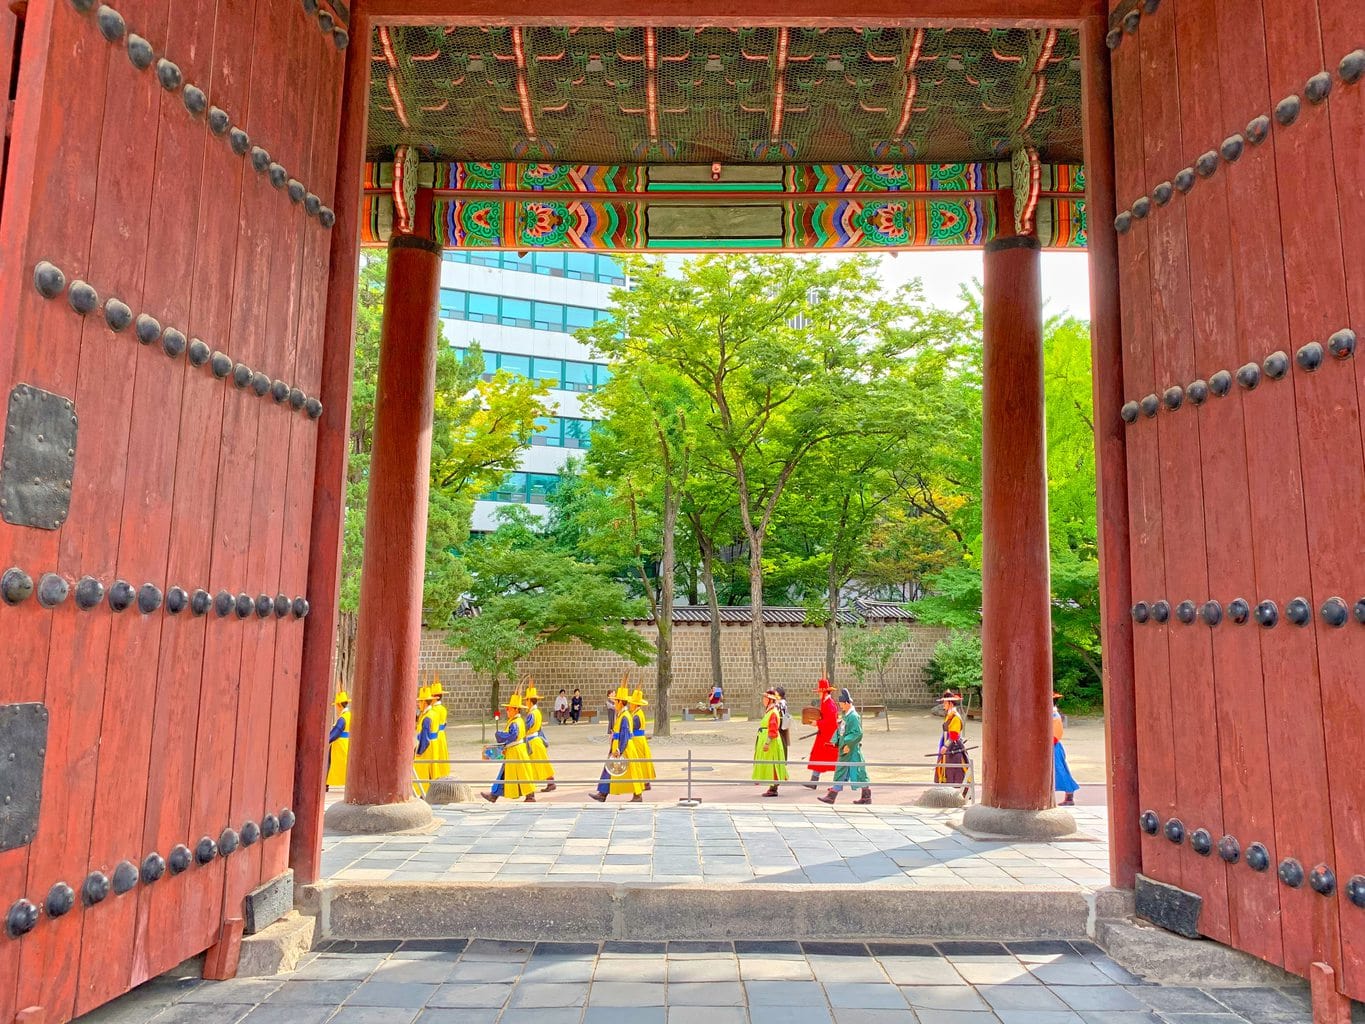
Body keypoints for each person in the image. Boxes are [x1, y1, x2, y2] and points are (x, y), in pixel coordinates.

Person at [591, 685, 643, 802]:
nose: (614, 705)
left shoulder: (625, 716)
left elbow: (624, 733)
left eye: (616, 702)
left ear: (620, 702)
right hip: (618, 746)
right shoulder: (622, 715)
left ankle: (637, 795)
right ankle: (602, 793)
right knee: (609, 770)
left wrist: (620, 749)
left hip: (624, 747)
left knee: (630, 772)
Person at [481, 693, 537, 803]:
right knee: (507, 773)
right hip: (516, 751)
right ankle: (494, 795)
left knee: (521, 774)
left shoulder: (516, 722)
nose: (507, 711)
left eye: (508, 709)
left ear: (516, 710)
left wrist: (500, 736)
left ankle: (530, 795)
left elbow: (513, 736)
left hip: (516, 751)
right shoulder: (518, 721)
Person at [818, 688, 870, 804]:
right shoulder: (847, 715)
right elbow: (840, 730)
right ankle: (832, 796)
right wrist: (835, 740)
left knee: (858, 772)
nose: (841, 706)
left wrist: (847, 743)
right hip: (845, 749)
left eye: (841, 704)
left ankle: (865, 797)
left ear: (847, 703)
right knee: (841, 770)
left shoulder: (853, 716)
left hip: (851, 750)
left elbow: (857, 733)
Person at [752, 688, 789, 798]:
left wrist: (767, 742)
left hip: (771, 742)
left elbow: (773, 729)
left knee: (773, 764)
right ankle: (772, 787)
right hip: (766, 738)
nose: (763, 700)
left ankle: (774, 788)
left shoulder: (773, 712)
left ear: (770, 700)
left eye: (765, 698)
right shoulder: (769, 711)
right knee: (769, 763)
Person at [803, 678, 838, 790]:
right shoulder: (826, 702)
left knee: (834, 759)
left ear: (823, 692)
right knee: (819, 756)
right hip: (824, 735)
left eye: (819, 691)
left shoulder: (829, 704)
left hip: (828, 736)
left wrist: (817, 723)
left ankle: (840, 782)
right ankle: (814, 780)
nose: (818, 693)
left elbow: (830, 721)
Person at [934, 690, 970, 798]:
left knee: (956, 769)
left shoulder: (955, 717)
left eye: (945, 703)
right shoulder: (949, 715)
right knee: (947, 769)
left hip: (953, 746)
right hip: (947, 744)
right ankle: (947, 793)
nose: (943, 705)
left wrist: (946, 746)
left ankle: (964, 793)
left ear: (950, 703)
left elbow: (954, 734)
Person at [523, 684, 557, 793]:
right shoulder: (536, 712)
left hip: (533, 741)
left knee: (535, 763)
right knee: (541, 762)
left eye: (526, 700)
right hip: (536, 739)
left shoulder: (532, 714)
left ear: (530, 701)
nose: (525, 703)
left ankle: (533, 787)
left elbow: (526, 727)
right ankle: (550, 782)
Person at [1053, 692, 1079, 806]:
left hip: (1053, 744)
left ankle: (1069, 795)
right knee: (1059, 769)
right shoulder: (1054, 713)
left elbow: (1055, 732)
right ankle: (1069, 795)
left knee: (1059, 769)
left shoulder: (1053, 714)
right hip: (1054, 743)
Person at [413, 686, 439, 797]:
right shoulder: (432, 713)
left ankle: (422, 793)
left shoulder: (427, 717)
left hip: (426, 748)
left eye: (419, 702)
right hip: (434, 744)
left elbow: (425, 737)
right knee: (432, 769)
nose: (418, 704)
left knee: (422, 770)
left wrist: (418, 751)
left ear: (424, 702)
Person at [628, 688, 655, 791]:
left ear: (635, 704)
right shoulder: (637, 713)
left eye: (631, 703)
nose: (630, 705)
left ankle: (644, 782)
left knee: (639, 762)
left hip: (637, 740)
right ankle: (645, 782)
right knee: (642, 761)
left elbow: (633, 727)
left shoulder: (637, 716)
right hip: (639, 740)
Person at [326, 690, 351, 790]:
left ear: (339, 705)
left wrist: (327, 739)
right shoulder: (349, 715)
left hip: (340, 745)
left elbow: (337, 730)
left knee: (332, 764)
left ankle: (326, 784)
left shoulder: (343, 718)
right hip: (346, 743)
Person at [428, 679, 449, 780]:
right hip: (442, 734)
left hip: (435, 735)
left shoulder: (433, 710)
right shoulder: (443, 709)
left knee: (436, 756)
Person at [775, 686, 792, 754]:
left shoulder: (782, 702)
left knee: (782, 740)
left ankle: (783, 756)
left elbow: (777, 709)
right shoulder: (781, 701)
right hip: (782, 721)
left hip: (781, 722)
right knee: (782, 739)